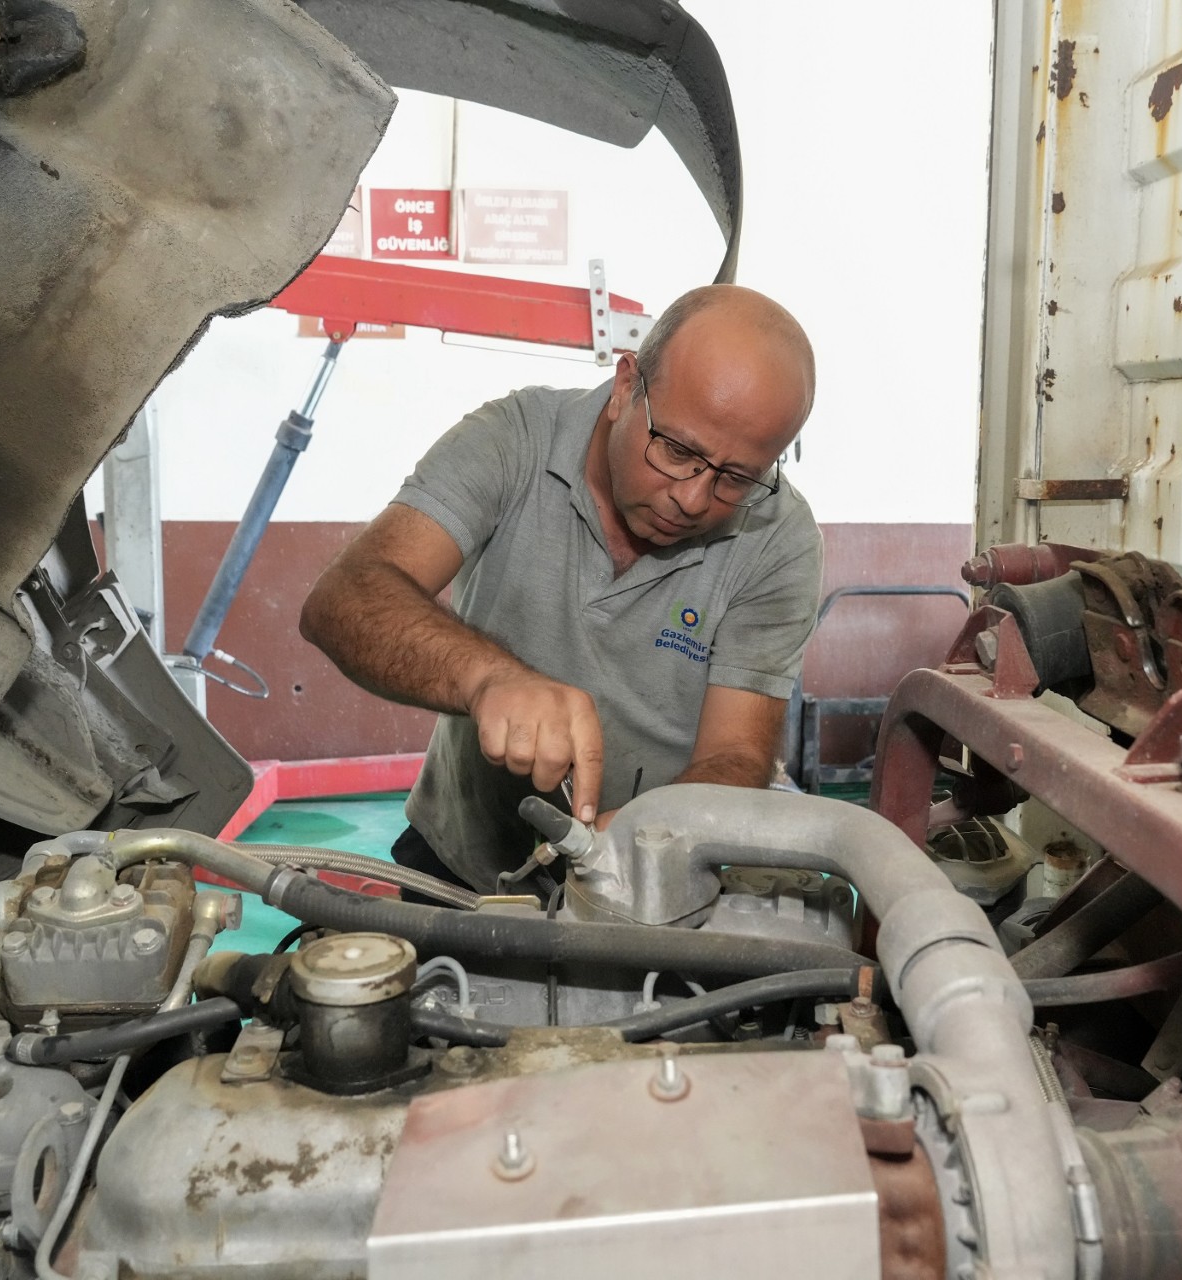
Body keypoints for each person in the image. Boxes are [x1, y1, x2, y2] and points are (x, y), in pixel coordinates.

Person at [299, 284, 822, 893]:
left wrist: (644, 834)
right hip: (457, 863)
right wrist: (487, 677)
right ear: (626, 386)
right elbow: (342, 599)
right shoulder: (514, 440)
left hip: (648, 887)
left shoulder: (779, 540)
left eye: (737, 477)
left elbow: (737, 755)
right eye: (678, 450)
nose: (693, 498)